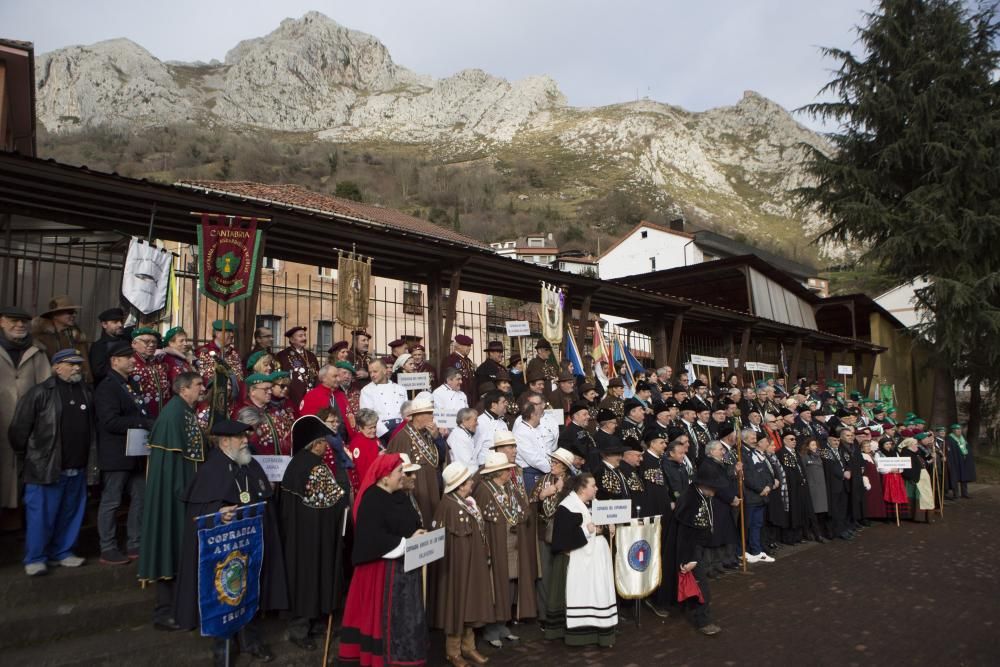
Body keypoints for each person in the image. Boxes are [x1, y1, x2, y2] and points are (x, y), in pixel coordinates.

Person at [173, 419, 287, 665]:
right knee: (224, 596)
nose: (246, 441)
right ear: (225, 442)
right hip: (223, 552)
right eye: (240, 438)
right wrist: (218, 512)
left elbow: (261, 496)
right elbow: (198, 510)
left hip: (251, 546)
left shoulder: (249, 462)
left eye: (245, 436)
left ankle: (251, 641)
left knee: (250, 593)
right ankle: (222, 649)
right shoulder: (210, 469)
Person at [8, 348, 93, 576]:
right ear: (56, 367)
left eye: (78, 363)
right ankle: (36, 557)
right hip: (45, 468)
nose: (77, 367)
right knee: (40, 516)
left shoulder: (85, 391)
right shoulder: (40, 392)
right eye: (70, 363)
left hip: (77, 466)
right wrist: (31, 457)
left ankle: (63, 552)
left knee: (70, 513)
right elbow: (18, 430)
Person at [338, 453, 427, 667]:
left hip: (403, 570)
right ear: (385, 477)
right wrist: (407, 542)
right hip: (381, 572)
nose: (402, 476)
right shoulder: (372, 498)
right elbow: (373, 537)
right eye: (399, 472)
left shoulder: (400, 495)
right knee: (384, 622)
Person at [139, 370, 206, 630]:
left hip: (185, 494)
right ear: (183, 389)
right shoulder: (173, 415)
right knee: (169, 546)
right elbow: (173, 466)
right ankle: (165, 611)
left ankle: (181, 607)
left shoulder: (186, 412)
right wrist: (186, 494)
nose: (203, 389)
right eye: (198, 385)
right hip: (174, 498)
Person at [280, 415, 350, 651]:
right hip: (312, 536)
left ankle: (313, 623)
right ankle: (300, 629)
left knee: (306, 578)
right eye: (323, 442)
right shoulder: (315, 468)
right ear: (315, 444)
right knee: (309, 579)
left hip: (299, 534)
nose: (326, 446)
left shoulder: (297, 463)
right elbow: (334, 501)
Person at [95, 341, 154, 565]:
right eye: (127, 357)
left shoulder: (130, 385)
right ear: (114, 361)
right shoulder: (108, 386)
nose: (132, 360)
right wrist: (143, 423)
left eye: (132, 356)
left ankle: (135, 542)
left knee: (141, 496)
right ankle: (107, 546)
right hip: (116, 454)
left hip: (136, 453)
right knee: (111, 500)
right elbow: (110, 421)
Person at [430, 462, 493, 667]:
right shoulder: (448, 505)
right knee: (458, 603)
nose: (472, 482)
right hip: (457, 567)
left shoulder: (466, 502)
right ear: (459, 485)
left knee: (470, 601)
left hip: (472, 562)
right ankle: (453, 650)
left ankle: (469, 646)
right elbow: (445, 541)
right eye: (468, 481)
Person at [543, 472, 617, 648]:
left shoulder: (593, 504)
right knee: (583, 594)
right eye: (593, 485)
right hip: (580, 561)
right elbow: (562, 539)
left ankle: (601, 630)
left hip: (596, 561)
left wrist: (608, 527)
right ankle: (581, 635)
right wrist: (588, 530)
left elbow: (599, 527)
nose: (596, 488)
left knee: (598, 592)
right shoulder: (567, 507)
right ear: (583, 488)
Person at [474, 451, 536, 648]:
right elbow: (481, 521)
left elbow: (523, 508)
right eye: (506, 469)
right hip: (495, 542)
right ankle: (490, 628)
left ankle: (503, 623)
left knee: (509, 582)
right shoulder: (484, 490)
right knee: (495, 584)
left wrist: (519, 519)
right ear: (498, 472)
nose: (510, 472)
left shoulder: (509, 486)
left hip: (512, 542)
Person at [0, 305, 51, 529]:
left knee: (23, 472)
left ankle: (16, 521)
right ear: (2, 322)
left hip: (28, 425)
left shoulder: (37, 351)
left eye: (24, 321)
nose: (20, 325)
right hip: (1, 421)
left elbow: (47, 387)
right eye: (13, 320)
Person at [662, 463, 726, 636]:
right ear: (703, 484)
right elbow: (684, 534)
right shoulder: (690, 500)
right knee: (701, 586)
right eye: (713, 486)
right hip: (689, 549)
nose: (716, 490)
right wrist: (688, 559)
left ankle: (682, 608)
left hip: (696, 545)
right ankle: (703, 620)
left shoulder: (701, 495)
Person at [531, 447, 574, 624]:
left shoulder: (572, 483)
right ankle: (545, 615)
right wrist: (544, 494)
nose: (552, 464)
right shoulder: (543, 480)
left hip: (564, 534)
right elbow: (531, 501)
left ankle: (564, 611)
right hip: (544, 533)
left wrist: (562, 491)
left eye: (556, 463)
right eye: (552, 461)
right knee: (545, 574)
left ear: (564, 467)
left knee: (565, 573)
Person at [387, 396, 442, 525]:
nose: (432, 416)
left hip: (432, 487)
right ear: (418, 416)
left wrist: (437, 437)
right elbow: (396, 470)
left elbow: (443, 457)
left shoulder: (429, 433)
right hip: (417, 490)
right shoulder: (402, 437)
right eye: (429, 413)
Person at [195, 320, 243, 429]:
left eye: (232, 332)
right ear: (217, 333)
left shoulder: (234, 353)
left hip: (233, 404)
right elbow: (205, 379)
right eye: (228, 332)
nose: (232, 335)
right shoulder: (204, 352)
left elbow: (240, 377)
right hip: (212, 405)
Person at [33, 295, 91, 380]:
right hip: (51, 385)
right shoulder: (41, 339)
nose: (74, 315)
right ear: (55, 315)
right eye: (70, 312)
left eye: (75, 312)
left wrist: (88, 383)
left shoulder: (78, 337)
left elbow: (85, 365)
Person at [235, 373, 291, 456]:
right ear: (252, 391)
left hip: (279, 463)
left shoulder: (274, 410)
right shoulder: (241, 411)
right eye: (266, 389)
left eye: (270, 389)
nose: (269, 392)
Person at [359, 359, 408, 440]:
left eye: (375, 371)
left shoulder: (400, 389)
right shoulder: (366, 391)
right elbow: (368, 416)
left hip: (402, 430)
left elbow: (406, 413)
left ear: (385, 371)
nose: (372, 375)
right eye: (370, 372)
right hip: (381, 433)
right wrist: (386, 433)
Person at [275, 326, 320, 409]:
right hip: (293, 397)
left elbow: (317, 375)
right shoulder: (282, 356)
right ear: (292, 340)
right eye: (300, 336)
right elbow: (279, 378)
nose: (304, 338)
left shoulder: (311, 356)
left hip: (312, 397)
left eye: (305, 335)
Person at [130, 327, 171, 418]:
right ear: (134, 344)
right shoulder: (130, 363)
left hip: (162, 415)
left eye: (154, 342)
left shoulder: (158, 363)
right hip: (140, 418)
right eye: (146, 342)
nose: (152, 345)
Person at [513, 400, 552, 494]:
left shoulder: (534, 429)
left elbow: (545, 450)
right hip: (530, 474)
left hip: (542, 470)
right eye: (539, 415)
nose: (540, 419)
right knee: (533, 503)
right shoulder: (521, 432)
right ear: (532, 415)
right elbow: (532, 458)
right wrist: (550, 468)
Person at [800, 438, 829, 542]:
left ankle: (822, 532)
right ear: (807, 446)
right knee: (814, 512)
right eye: (812, 445)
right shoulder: (804, 457)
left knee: (821, 512)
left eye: (815, 445)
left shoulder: (820, 456)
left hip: (822, 488)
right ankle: (815, 534)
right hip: (812, 488)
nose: (815, 447)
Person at [89, 307, 129, 384]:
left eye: (121, 321)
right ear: (104, 324)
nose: (120, 324)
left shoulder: (126, 342)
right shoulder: (99, 346)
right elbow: (99, 372)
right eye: (115, 322)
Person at [346, 408, 381, 488]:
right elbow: (362, 471)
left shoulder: (374, 438)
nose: (373, 430)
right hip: (369, 486)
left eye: (374, 427)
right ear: (360, 428)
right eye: (370, 428)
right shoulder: (357, 444)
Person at [441, 334, 476, 406]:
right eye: (466, 346)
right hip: (455, 397)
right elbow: (447, 381)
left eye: (469, 346)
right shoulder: (450, 360)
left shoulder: (468, 360)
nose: (469, 348)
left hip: (469, 396)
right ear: (458, 346)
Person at [945, 423, 975, 499]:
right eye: (957, 429)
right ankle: (956, 494)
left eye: (960, 429)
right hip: (955, 461)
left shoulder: (962, 437)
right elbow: (949, 451)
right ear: (953, 430)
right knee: (955, 477)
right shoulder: (950, 438)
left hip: (963, 460)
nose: (959, 431)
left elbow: (966, 447)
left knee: (964, 477)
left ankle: (965, 493)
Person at [446, 407, 479, 472]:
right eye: (475, 420)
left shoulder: (463, 434)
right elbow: (466, 465)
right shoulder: (458, 437)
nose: (477, 423)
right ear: (464, 421)